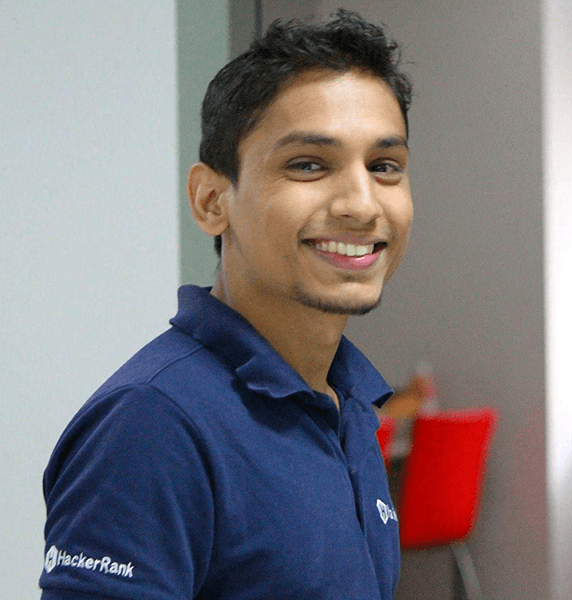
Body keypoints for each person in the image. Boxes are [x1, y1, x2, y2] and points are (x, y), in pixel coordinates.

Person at [40, 9, 414, 599]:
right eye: (308, 164)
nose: (362, 205)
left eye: (384, 167)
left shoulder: (346, 404)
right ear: (211, 200)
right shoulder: (153, 423)